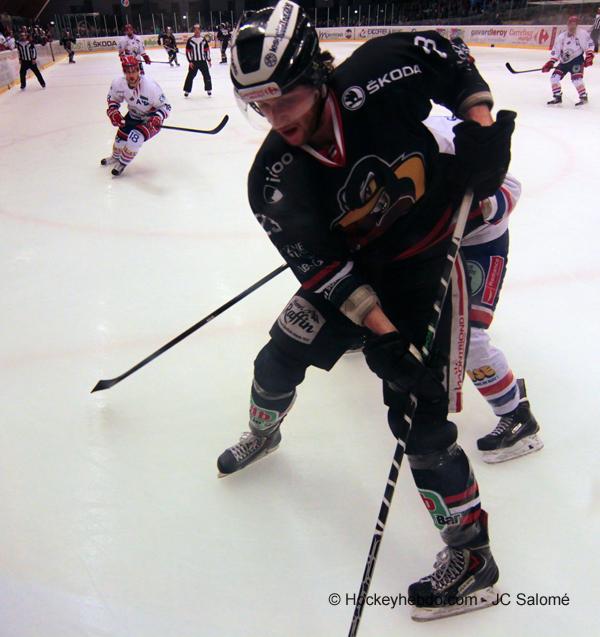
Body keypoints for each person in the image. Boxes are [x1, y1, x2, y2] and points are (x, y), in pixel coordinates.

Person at [221, 0, 517, 621]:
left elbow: (449, 57)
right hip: (356, 273)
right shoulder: (272, 178)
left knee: (418, 421)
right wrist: (379, 334)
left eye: (285, 100)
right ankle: (264, 432)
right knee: (275, 360)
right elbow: (324, 270)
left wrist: (480, 125)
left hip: (429, 262)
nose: (277, 119)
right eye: (260, 107)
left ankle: (473, 558)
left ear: (318, 75)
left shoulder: (380, 70)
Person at [423, 116, 542, 464]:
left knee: (466, 336)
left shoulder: (444, 139)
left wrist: (481, 204)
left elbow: (511, 186)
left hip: (480, 245)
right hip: (438, 241)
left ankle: (517, 415)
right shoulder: (387, 137)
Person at [101, 55, 171, 176]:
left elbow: (166, 106)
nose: (131, 75)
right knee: (120, 139)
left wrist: (157, 117)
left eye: (134, 71)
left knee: (135, 138)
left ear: (139, 70)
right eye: (128, 72)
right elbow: (113, 99)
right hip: (133, 115)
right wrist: (113, 112)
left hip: (150, 120)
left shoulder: (150, 87)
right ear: (124, 72)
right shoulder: (119, 83)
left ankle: (122, 163)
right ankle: (115, 157)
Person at [543, 15, 593, 106]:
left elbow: (589, 45)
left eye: (574, 24)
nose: (572, 26)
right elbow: (556, 50)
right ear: (568, 24)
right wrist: (551, 62)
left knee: (576, 79)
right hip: (564, 62)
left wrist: (589, 56)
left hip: (577, 61)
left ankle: (583, 97)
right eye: (570, 24)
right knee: (554, 78)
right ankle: (557, 97)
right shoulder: (562, 36)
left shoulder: (582, 34)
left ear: (577, 25)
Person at [183, 23, 212, 97]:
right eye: (195, 29)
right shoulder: (190, 40)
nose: (197, 31)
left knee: (207, 75)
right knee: (190, 76)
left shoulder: (203, 40)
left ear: (200, 30)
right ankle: (187, 90)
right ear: (194, 31)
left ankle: (208, 89)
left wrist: (209, 60)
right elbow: (188, 51)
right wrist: (190, 61)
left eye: (198, 29)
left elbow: (207, 50)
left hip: (203, 61)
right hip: (194, 62)